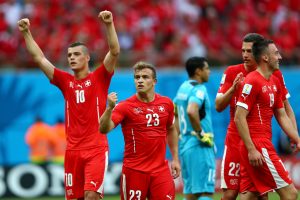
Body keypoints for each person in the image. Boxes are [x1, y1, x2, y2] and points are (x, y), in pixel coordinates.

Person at [18, 10, 120, 200]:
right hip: (72, 152)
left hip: (96, 149)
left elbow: (114, 51)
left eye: (75, 54)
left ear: (87, 58)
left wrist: (109, 24)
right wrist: (26, 33)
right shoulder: (65, 81)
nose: (71, 58)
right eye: (69, 55)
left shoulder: (99, 77)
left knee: (92, 196)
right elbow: (39, 58)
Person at [215, 33, 298, 200]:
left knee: (255, 195)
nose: (245, 55)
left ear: (260, 53)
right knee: (230, 193)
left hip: (256, 141)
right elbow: (221, 107)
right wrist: (233, 89)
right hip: (240, 140)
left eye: (249, 51)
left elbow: (283, 110)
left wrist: (294, 136)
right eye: (243, 51)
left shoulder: (274, 76)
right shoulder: (238, 75)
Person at [99, 61, 181, 200]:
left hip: (160, 171)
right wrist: (109, 108)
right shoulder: (125, 106)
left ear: (154, 81)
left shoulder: (166, 103)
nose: (140, 80)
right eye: (137, 77)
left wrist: (175, 158)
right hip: (134, 171)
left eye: (145, 77)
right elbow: (103, 129)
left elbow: (171, 129)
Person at [173, 57, 215, 200]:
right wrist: (201, 134)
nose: (209, 72)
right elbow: (192, 110)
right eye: (207, 68)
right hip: (199, 145)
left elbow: (176, 114)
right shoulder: (199, 89)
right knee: (205, 192)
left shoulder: (183, 88)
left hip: (185, 144)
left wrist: (179, 136)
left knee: (191, 193)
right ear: (198, 71)